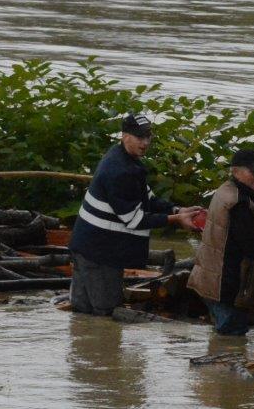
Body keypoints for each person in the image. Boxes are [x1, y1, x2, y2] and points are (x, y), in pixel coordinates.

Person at [68, 113, 201, 316]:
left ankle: (86, 347)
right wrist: (175, 220)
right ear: (124, 136)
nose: (145, 142)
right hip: (100, 254)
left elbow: (147, 199)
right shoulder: (120, 171)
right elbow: (134, 220)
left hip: (86, 246)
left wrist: (176, 210)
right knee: (106, 313)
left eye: (148, 137)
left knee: (82, 313)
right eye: (140, 137)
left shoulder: (125, 159)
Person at [188, 149, 254, 336]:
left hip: (211, 280)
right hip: (226, 285)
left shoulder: (226, 190)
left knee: (223, 342)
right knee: (232, 344)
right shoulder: (239, 203)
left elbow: (231, 227)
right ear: (235, 171)